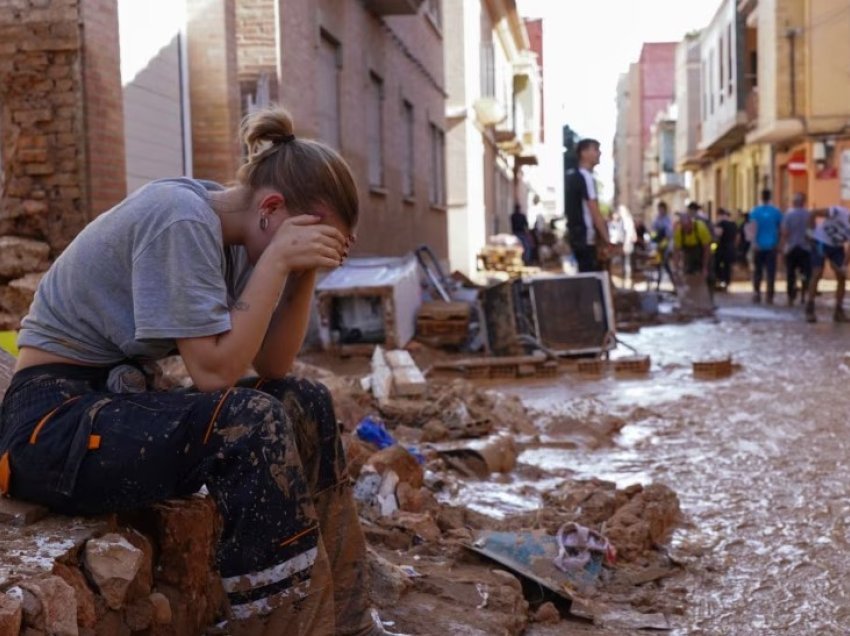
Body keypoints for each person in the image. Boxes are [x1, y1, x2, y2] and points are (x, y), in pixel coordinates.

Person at [0, 106, 399, 636]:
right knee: (249, 420)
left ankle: (346, 622)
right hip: (51, 423)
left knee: (302, 400)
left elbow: (274, 364)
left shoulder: (237, 233)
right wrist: (278, 260)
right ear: (271, 206)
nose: (301, 252)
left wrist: (301, 273)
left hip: (112, 404)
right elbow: (213, 374)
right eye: (306, 238)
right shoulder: (182, 218)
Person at [564, 138, 611, 272]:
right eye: (595, 149)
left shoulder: (572, 177)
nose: (599, 153)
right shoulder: (586, 177)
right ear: (584, 153)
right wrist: (606, 238)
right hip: (586, 238)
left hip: (576, 236)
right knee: (591, 279)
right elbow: (594, 211)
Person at [805, 204, 850, 323]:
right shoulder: (837, 211)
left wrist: (844, 265)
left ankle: (838, 311)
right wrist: (809, 232)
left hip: (836, 247)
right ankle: (810, 307)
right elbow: (813, 213)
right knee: (817, 272)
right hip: (820, 242)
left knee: (842, 276)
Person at [748, 189, 783, 304]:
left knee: (757, 271)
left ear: (761, 197)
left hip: (758, 246)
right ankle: (770, 295)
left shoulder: (755, 211)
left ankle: (757, 293)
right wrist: (779, 244)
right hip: (771, 246)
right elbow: (780, 229)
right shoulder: (776, 212)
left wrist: (753, 243)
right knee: (770, 272)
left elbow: (752, 228)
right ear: (770, 197)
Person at [780, 192, 812, 306]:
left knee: (790, 273)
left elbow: (785, 233)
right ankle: (804, 295)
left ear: (794, 203)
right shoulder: (808, 214)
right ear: (803, 203)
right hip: (805, 248)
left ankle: (791, 297)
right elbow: (812, 231)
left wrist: (782, 248)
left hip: (792, 248)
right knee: (806, 273)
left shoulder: (788, 215)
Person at [673, 209, 713, 294]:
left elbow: (706, 249)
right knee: (688, 275)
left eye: (687, 227)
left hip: (703, 252)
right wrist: (676, 269)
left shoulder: (700, 228)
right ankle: (691, 298)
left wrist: (705, 268)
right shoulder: (679, 232)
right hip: (689, 255)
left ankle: (708, 300)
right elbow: (677, 252)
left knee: (708, 277)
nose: (686, 230)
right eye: (684, 228)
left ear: (691, 223)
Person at [651, 201, 675, 291]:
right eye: (659, 209)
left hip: (665, 247)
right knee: (658, 266)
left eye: (662, 209)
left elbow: (669, 234)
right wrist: (655, 241)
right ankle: (658, 285)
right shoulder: (656, 219)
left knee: (666, 266)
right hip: (658, 246)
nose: (661, 211)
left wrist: (664, 244)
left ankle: (674, 285)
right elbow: (653, 232)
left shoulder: (667, 220)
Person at [714, 208, 738, 291]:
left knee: (718, 264)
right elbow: (737, 237)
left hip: (721, 248)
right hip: (731, 247)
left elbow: (717, 235)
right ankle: (727, 282)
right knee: (727, 266)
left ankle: (720, 280)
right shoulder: (733, 224)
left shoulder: (721, 224)